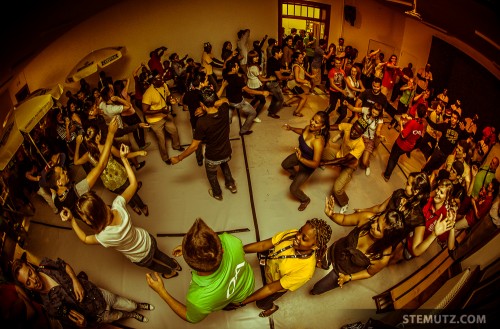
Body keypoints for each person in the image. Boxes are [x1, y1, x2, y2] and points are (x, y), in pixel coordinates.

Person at [61, 144, 181, 279]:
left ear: (91, 220)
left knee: (153, 265)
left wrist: (72, 220)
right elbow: (134, 184)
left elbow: (84, 238)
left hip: (140, 257)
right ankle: (174, 264)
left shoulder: (104, 236)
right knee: (159, 253)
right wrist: (124, 160)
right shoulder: (118, 205)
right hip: (147, 240)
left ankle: (170, 272)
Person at [146, 218, 255, 323]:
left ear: (191, 266)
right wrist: (189, 250)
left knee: (229, 304)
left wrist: (161, 291)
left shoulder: (199, 299)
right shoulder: (231, 241)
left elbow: (189, 317)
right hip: (248, 281)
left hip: (236, 298)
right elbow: (212, 247)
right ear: (221, 250)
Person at [12, 254, 154, 325]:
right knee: (119, 316)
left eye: (30, 274)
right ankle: (131, 315)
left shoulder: (45, 265)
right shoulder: (49, 306)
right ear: (26, 287)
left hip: (98, 294)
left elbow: (64, 265)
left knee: (129, 304)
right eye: (28, 282)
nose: (33, 280)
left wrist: (75, 280)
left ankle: (137, 306)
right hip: (98, 316)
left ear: (31, 267)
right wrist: (82, 324)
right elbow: (72, 320)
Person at [230, 219, 332, 317]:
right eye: (300, 230)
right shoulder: (292, 234)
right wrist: (238, 250)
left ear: (315, 246)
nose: (297, 236)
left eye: (304, 238)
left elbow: (270, 288)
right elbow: (263, 245)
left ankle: (272, 308)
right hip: (270, 266)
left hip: (274, 286)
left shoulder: (305, 271)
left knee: (261, 304)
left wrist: (241, 302)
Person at [310, 197, 406, 295]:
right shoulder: (368, 218)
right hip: (335, 250)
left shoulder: (382, 257)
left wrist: (349, 277)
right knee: (314, 263)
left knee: (319, 288)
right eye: (377, 220)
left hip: (344, 272)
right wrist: (331, 214)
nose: (373, 224)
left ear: (386, 238)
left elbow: (369, 273)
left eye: (378, 228)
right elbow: (343, 219)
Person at [170, 86, 237, 201]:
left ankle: (217, 193)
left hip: (213, 156)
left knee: (212, 175)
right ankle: (231, 184)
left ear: (201, 104)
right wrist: (208, 107)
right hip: (226, 150)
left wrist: (179, 158)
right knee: (224, 164)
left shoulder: (202, 122)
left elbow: (194, 146)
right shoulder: (224, 109)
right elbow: (225, 100)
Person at [46, 117, 119, 216]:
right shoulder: (77, 191)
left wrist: (53, 168)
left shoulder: (57, 202)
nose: (66, 172)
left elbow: (52, 190)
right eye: (63, 173)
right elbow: (101, 166)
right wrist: (111, 134)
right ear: (58, 182)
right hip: (100, 214)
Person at [74, 126, 149, 216]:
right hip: (120, 176)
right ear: (98, 137)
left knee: (123, 194)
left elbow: (76, 162)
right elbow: (124, 156)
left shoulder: (88, 155)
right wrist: (139, 152)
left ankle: (134, 207)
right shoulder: (108, 147)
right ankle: (142, 207)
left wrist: (78, 143)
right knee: (132, 192)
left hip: (109, 183)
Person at [282, 111, 330, 211]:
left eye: (316, 122)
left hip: (307, 164)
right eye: (313, 119)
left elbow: (315, 164)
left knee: (293, 189)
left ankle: (305, 200)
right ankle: (295, 175)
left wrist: (301, 159)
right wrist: (292, 128)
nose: (312, 122)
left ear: (322, 126)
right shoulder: (309, 127)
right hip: (300, 154)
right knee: (285, 164)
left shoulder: (318, 141)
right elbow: (303, 131)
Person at [322, 119, 368, 214]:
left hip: (349, 165)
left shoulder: (361, 145)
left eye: (357, 132)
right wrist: (324, 127)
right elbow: (336, 126)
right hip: (339, 155)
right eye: (353, 128)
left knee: (337, 189)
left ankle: (344, 203)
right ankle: (323, 162)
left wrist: (326, 163)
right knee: (322, 150)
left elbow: (345, 159)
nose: (353, 132)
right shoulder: (349, 127)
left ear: (362, 133)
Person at [142, 69, 184, 164]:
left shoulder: (164, 85)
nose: (162, 80)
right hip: (155, 121)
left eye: (161, 78)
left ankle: (176, 146)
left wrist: (171, 99)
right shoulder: (148, 94)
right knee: (162, 140)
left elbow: (168, 95)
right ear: (153, 81)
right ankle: (165, 158)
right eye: (159, 79)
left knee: (173, 130)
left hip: (165, 114)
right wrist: (160, 110)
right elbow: (145, 111)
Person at [222, 60, 269, 135]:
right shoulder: (238, 79)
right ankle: (243, 131)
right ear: (233, 69)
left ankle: (228, 122)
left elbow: (224, 66)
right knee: (253, 113)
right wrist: (262, 92)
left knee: (231, 108)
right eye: (237, 66)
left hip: (229, 100)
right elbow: (249, 91)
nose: (238, 68)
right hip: (238, 102)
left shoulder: (225, 74)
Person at [382, 104, 426, 181]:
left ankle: (387, 175)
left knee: (393, 158)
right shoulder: (421, 124)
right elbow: (417, 135)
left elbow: (403, 135)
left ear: (416, 111)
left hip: (401, 144)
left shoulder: (413, 122)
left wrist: (401, 123)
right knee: (396, 157)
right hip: (409, 146)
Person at [343, 101, 384, 176]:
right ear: (371, 109)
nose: (374, 114)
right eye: (373, 112)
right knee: (349, 152)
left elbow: (378, 130)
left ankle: (367, 166)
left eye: (376, 114)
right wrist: (347, 104)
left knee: (364, 162)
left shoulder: (380, 120)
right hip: (359, 135)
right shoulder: (366, 110)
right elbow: (354, 109)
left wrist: (379, 135)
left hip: (369, 139)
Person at [246, 50, 274, 122]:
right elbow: (261, 78)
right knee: (263, 101)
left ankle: (248, 110)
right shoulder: (254, 67)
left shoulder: (249, 65)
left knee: (256, 98)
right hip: (255, 85)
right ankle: (254, 116)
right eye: (254, 57)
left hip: (251, 83)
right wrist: (269, 79)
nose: (257, 58)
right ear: (250, 58)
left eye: (257, 56)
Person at [285, 52, 315, 117]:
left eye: (302, 57)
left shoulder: (299, 65)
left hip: (296, 85)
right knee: (304, 97)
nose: (302, 59)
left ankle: (286, 103)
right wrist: (306, 81)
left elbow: (304, 71)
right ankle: (296, 112)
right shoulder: (296, 67)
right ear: (296, 59)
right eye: (300, 58)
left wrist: (311, 76)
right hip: (294, 85)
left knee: (300, 96)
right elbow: (297, 79)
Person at [265, 45, 289, 118]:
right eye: (281, 52)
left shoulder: (270, 59)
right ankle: (272, 113)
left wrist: (285, 70)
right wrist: (289, 77)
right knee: (281, 100)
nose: (282, 54)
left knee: (275, 98)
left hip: (269, 82)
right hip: (273, 83)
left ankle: (270, 110)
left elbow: (275, 70)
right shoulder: (276, 62)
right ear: (276, 53)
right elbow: (280, 77)